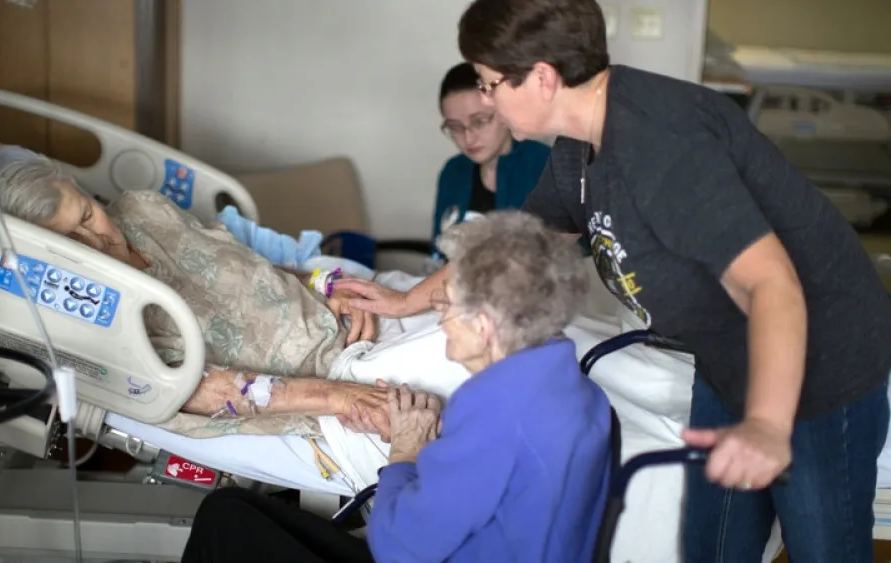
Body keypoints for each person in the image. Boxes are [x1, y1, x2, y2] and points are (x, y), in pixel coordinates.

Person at [334, 1, 891, 561]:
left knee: (824, 549)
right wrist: (406, 300)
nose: (485, 99)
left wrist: (770, 425)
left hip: (818, 361)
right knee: (714, 546)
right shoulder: (579, 148)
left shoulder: (661, 144)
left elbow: (774, 285)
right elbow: (516, 242)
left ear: (544, 78)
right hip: (727, 354)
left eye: (489, 84)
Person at [181, 210, 611, 563]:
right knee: (232, 510)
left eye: (446, 303)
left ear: (483, 325)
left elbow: (398, 548)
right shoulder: (570, 384)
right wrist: (430, 448)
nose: (438, 313)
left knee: (223, 524)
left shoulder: (493, 411)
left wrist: (404, 452)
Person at [0, 157, 391, 439]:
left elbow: (244, 265)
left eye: (86, 215)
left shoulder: (143, 208)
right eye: (72, 241)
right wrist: (339, 395)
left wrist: (320, 285)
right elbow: (195, 390)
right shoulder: (100, 315)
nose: (97, 239)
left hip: (349, 325)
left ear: (85, 192)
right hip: (330, 377)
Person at [432, 62, 550, 244]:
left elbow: (564, 252)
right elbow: (439, 250)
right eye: (455, 127)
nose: (468, 138)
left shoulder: (545, 166)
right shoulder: (453, 172)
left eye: (479, 121)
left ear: (502, 110)